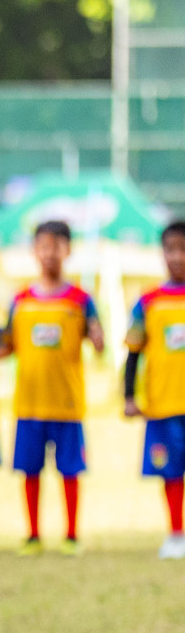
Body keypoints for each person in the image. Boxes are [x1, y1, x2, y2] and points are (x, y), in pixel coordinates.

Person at [0, 220, 104, 556]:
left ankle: (71, 535)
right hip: (29, 403)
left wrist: (98, 339)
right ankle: (33, 535)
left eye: (57, 245)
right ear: (34, 251)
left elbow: (99, 344)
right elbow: (6, 343)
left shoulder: (82, 301)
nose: (50, 253)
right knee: (30, 471)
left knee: (70, 471)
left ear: (68, 251)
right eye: (44, 245)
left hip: (67, 403)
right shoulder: (20, 301)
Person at [123, 220, 185, 560]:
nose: (177, 257)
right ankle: (176, 534)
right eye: (170, 249)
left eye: (183, 250)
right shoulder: (148, 301)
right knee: (171, 474)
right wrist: (129, 396)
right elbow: (133, 352)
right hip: (163, 404)